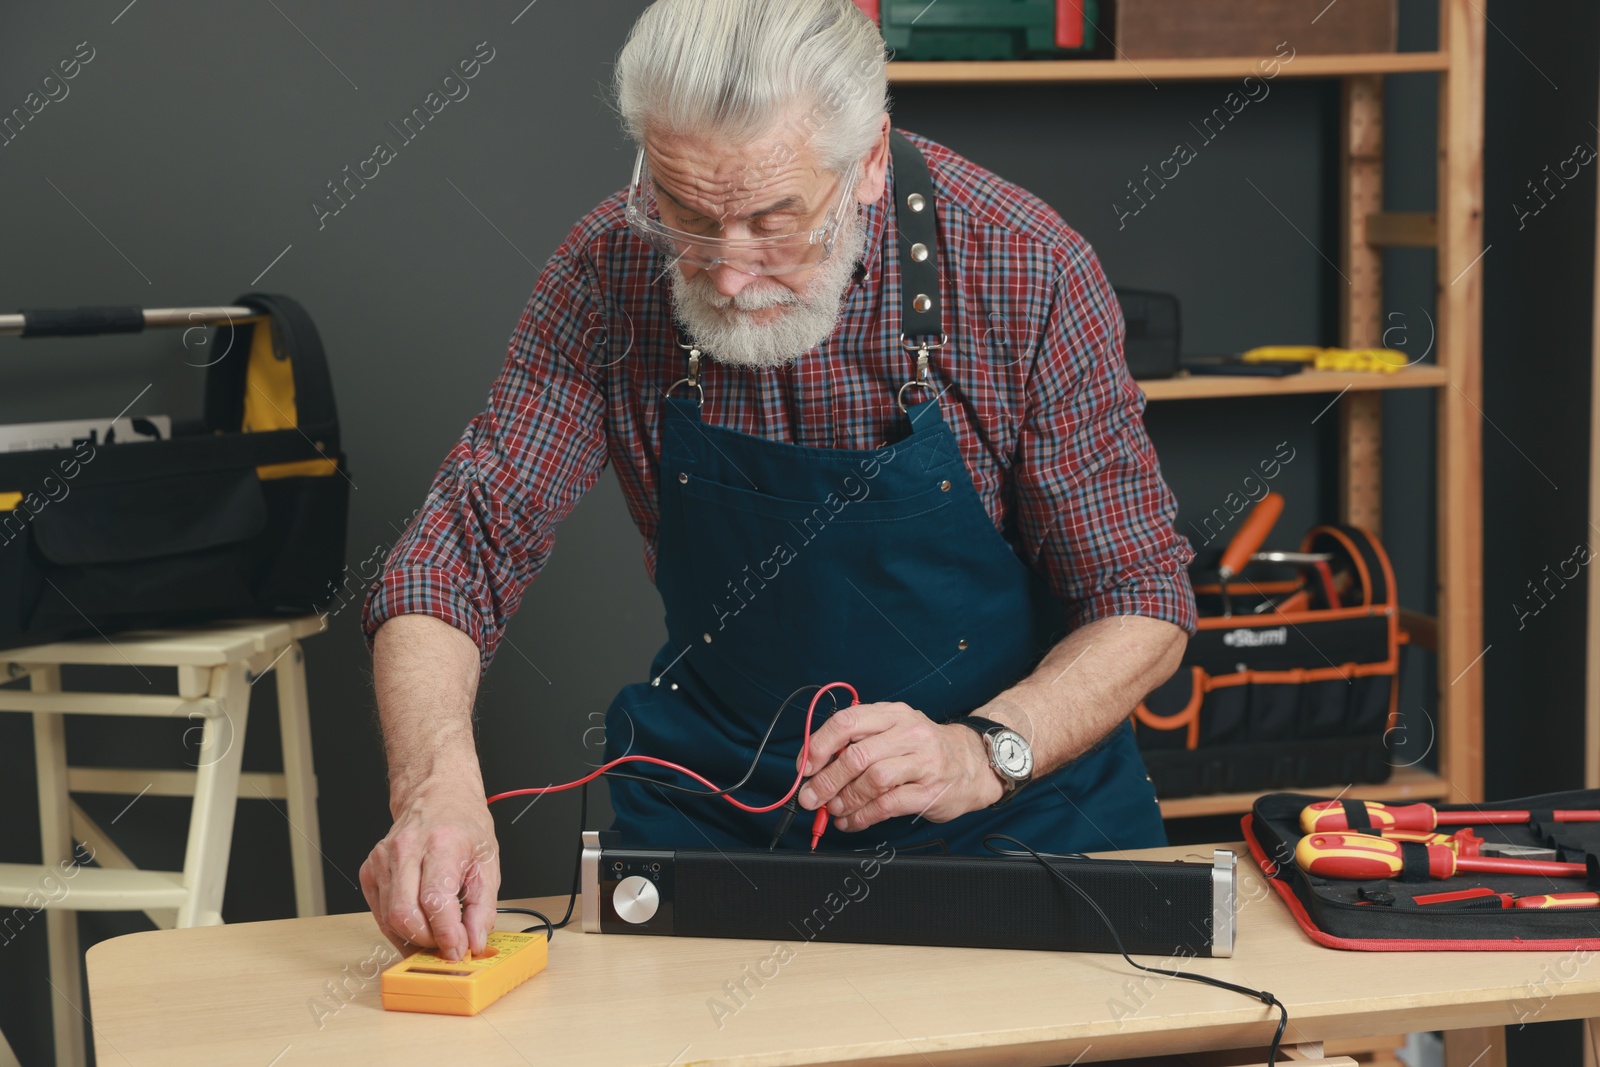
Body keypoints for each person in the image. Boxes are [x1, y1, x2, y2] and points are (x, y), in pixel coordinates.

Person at [358, 0, 1197, 962]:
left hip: (1020, 824)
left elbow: (1141, 599)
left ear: (870, 161)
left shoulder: (1024, 269)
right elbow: (456, 553)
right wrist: (435, 787)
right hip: (726, 815)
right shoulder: (609, 273)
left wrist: (980, 751)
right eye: (687, 214)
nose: (727, 275)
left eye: (772, 220)